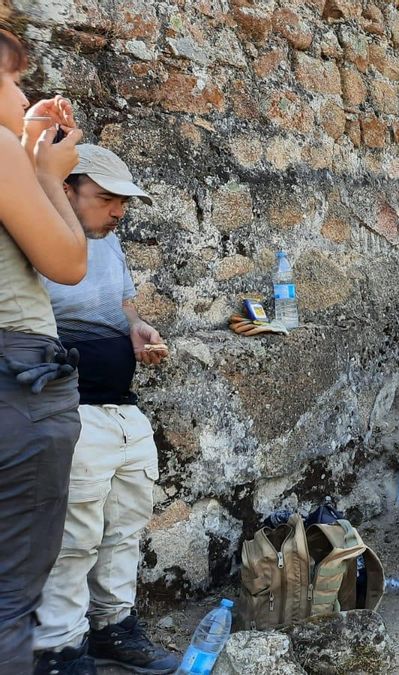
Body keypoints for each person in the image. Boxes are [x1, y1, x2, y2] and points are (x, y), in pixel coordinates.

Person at [32, 145, 178, 674]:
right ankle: (59, 649)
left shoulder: (108, 243)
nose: (118, 211)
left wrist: (137, 328)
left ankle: (113, 629)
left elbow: (122, 303)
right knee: (72, 540)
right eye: (105, 198)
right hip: (70, 408)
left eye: (122, 201)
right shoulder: (35, 241)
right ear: (64, 189)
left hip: (121, 405)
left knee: (124, 529)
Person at [0, 29, 91, 674]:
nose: (20, 93)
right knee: (8, 598)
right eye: (10, 80)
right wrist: (46, 173)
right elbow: (67, 261)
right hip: (16, 381)